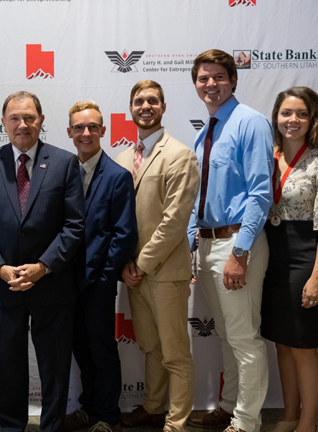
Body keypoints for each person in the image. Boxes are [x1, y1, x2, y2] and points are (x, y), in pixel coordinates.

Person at [0, 91, 85, 432]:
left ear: (41, 120)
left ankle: (52, 427)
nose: (22, 124)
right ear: (3, 123)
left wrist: (43, 266)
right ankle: (11, 426)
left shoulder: (64, 163)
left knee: (54, 366)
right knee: (8, 364)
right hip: (4, 286)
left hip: (52, 283)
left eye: (29, 117)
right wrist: (0, 269)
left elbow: (75, 225)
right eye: (15, 118)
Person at [186, 49, 273, 432]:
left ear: (233, 80)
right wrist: (191, 243)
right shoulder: (204, 131)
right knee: (225, 335)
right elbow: (198, 195)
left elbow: (260, 193)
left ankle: (247, 421)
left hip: (237, 243)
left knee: (244, 338)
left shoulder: (250, 122)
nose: (211, 84)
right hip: (208, 244)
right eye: (203, 78)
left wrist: (240, 252)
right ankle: (228, 406)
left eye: (219, 76)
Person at [259, 87, 318, 432]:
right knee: (283, 343)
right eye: (286, 113)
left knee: (303, 346)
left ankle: (308, 422)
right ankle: (289, 415)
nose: (292, 120)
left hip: (306, 256)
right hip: (271, 257)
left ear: (313, 120)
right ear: (276, 118)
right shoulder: (267, 157)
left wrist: (317, 277)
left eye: (301, 114)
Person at [116, 80, 199, 432]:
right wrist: (124, 265)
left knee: (175, 352)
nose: (145, 106)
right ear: (130, 109)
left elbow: (175, 221)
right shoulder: (123, 158)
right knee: (150, 347)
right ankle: (152, 408)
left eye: (152, 100)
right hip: (132, 272)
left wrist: (142, 263)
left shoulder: (180, 155)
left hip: (164, 272)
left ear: (163, 107)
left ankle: (176, 423)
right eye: (139, 101)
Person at [62, 101, 138, 432]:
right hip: (66, 282)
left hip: (99, 283)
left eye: (92, 126)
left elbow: (124, 234)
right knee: (80, 349)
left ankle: (108, 416)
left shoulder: (118, 176)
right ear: (69, 132)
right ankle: (88, 407)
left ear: (103, 131)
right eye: (79, 127)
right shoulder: (63, 172)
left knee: (102, 350)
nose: (86, 133)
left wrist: (106, 276)